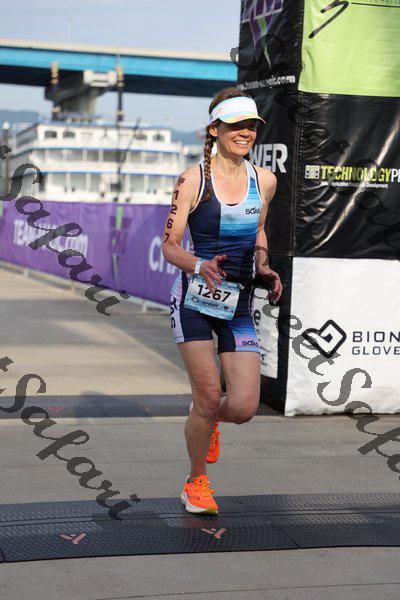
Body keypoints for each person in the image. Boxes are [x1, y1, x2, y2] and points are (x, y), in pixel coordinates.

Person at [162, 87, 283, 515]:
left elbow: (259, 231)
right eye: (235, 125)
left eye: (251, 126)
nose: (245, 133)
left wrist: (263, 265)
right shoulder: (193, 179)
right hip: (194, 300)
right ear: (215, 129)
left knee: (244, 407)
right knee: (209, 393)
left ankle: (207, 418)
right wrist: (199, 265)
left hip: (238, 304)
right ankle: (196, 481)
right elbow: (169, 246)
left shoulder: (264, 180)